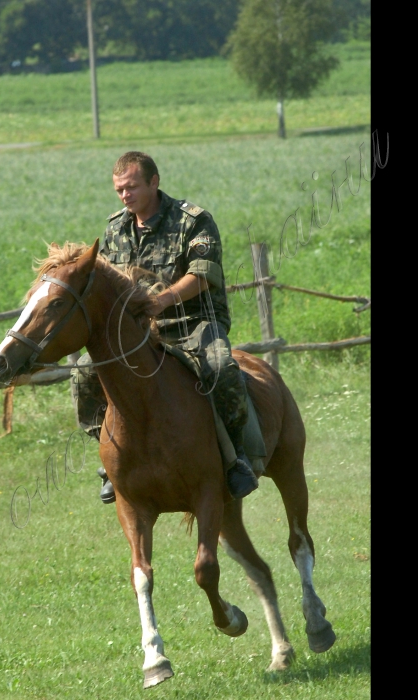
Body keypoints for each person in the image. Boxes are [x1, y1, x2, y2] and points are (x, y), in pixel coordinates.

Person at [70, 151, 259, 504]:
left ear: (154, 182)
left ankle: (237, 458)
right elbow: (109, 281)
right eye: (119, 191)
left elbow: (202, 275)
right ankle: (112, 459)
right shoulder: (115, 228)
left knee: (221, 367)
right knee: (83, 374)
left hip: (194, 322)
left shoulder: (193, 221)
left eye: (131, 187)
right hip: (141, 331)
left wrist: (163, 300)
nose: (125, 196)